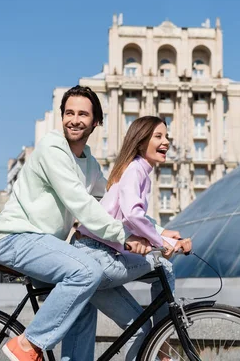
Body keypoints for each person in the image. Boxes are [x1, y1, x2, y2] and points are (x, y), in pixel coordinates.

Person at [0, 85, 151, 361]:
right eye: (69, 113)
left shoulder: (89, 163)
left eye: (83, 114)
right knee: (87, 271)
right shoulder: (52, 148)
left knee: (83, 303)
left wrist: (156, 233)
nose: (74, 119)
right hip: (14, 237)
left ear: (95, 122)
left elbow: (112, 204)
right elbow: (81, 203)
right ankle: (29, 344)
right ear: (61, 117)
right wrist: (123, 236)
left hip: (44, 244)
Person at [66, 116, 193, 361]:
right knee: (164, 267)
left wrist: (163, 234)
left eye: (166, 136)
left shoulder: (138, 170)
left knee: (140, 329)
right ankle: (164, 348)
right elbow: (134, 215)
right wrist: (164, 243)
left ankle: (160, 344)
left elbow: (127, 218)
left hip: (93, 254)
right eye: (158, 136)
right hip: (93, 256)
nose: (166, 141)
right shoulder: (136, 169)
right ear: (141, 141)